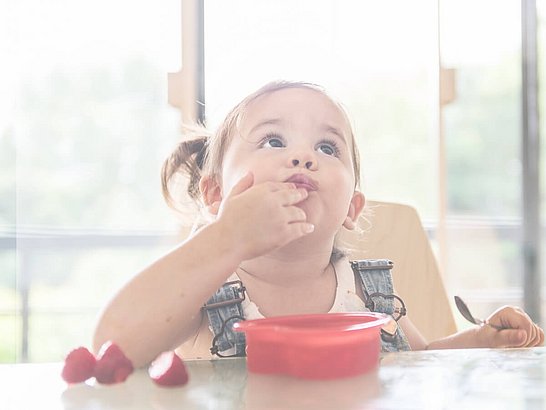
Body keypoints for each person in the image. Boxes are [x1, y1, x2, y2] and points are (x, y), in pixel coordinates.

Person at [93, 80, 544, 368]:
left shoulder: (366, 293)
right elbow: (111, 350)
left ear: (351, 206)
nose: (304, 156)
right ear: (216, 195)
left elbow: (418, 367)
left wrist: (481, 342)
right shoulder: (202, 289)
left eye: (328, 148)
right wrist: (225, 237)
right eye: (273, 140)